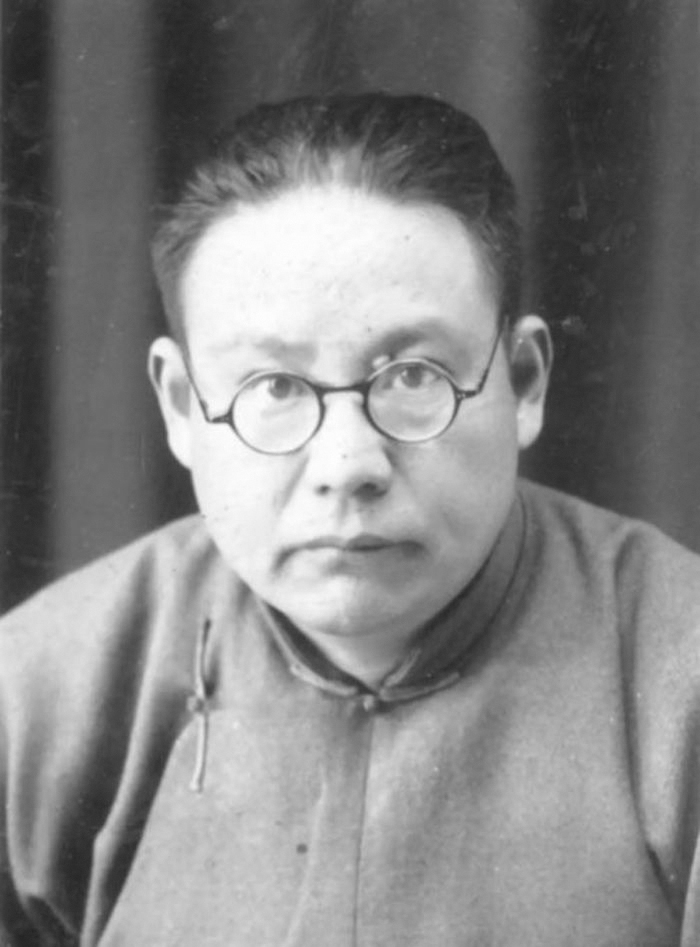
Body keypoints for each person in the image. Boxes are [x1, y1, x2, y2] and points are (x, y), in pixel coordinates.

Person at [0, 92, 698, 947]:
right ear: (181, 406)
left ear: (522, 380)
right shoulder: (37, 695)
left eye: (412, 377)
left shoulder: (680, 682)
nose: (346, 465)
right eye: (274, 387)